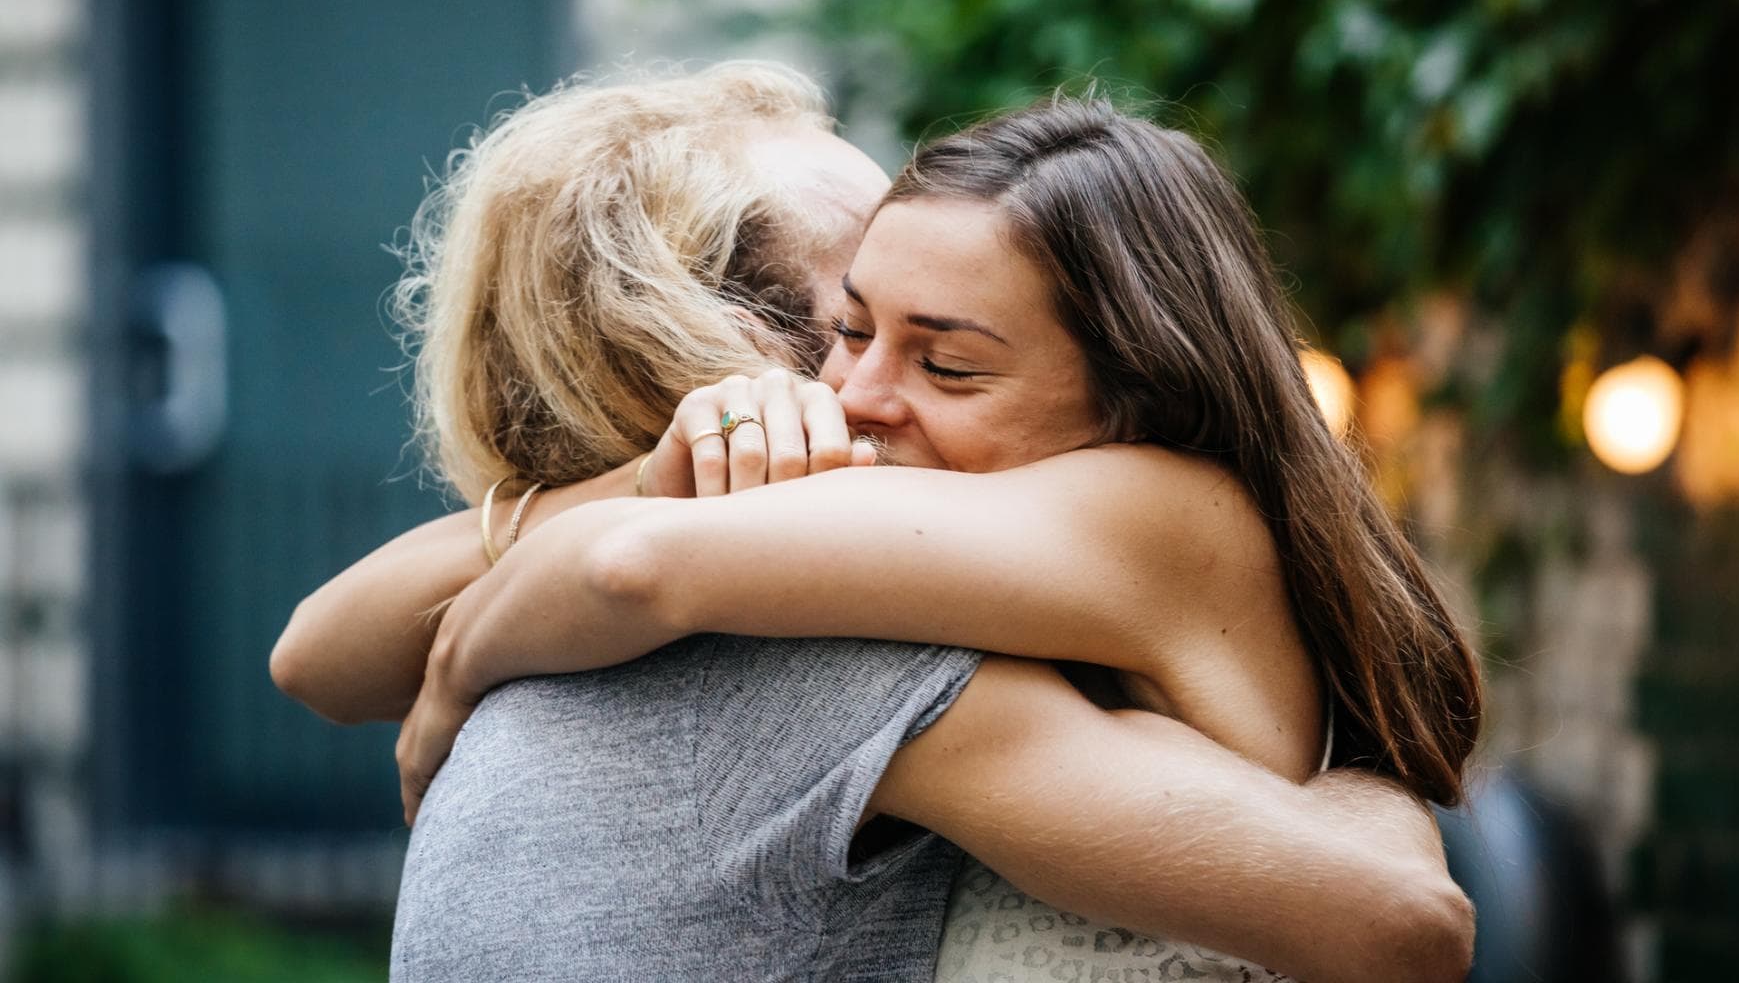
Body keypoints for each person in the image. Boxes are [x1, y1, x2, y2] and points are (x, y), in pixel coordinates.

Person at [273, 63, 1476, 982]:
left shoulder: (1104, 526)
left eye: (945, 356)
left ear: (1135, 386)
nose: (856, 395)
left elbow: (623, 566)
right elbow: (324, 648)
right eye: (848, 322)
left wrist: (459, 665)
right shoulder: (828, 632)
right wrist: (662, 474)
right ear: (718, 345)